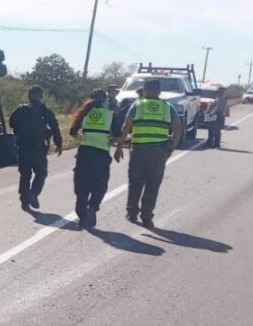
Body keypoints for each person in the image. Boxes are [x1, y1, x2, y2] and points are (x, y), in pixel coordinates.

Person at [114, 79, 183, 228]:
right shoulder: (168, 107)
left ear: (144, 90)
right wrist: (172, 146)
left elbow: (126, 126)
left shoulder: (137, 105)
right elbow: (178, 128)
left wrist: (119, 146)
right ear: (159, 91)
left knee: (135, 182)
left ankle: (132, 213)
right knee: (152, 185)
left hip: (139, 150)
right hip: (159, 152)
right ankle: (147, 217)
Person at [9, 85, 62, 210]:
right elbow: (54, 127)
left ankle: (24, 200)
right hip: (38, 146)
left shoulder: (20, 110)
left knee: (25, 174)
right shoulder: (45, 110)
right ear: (41, 96)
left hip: (23, 146)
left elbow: (11, 123)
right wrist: (58, 143)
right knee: (41, 173)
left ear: (29, 96)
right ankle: (33, 193)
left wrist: (21, 130)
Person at [69, 89, 115, 228]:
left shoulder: (84, 113)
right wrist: (110, 140)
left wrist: (84, 138)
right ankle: (93, 207)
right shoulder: (111, 115)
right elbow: (117, 135)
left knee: (82, 181)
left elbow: (73, 132)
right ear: (105, 100)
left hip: (85, 152)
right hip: (101, 154)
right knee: (100, 183)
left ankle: (81, 207)